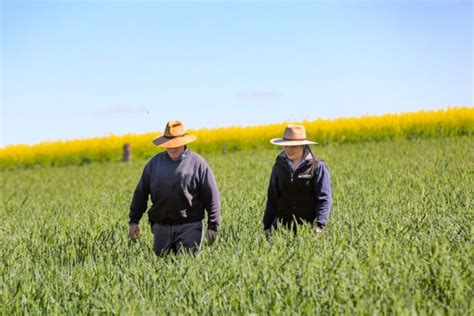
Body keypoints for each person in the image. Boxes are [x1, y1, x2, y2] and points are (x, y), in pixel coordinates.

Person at [129, 120, 221, 256]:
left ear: (183, 142)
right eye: (168, 145)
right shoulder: (154, 164)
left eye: (175, 145)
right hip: (161, 227)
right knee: (162, 270)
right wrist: (134, 221)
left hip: (190, 226)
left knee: (188, 267)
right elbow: (140, 194)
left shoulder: (198, 164)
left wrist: (213, 226)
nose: (172, 148)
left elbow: (212, 196)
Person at [263, 124, 332, 236]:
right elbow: (272, 198)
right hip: (280, 229)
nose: (288, 150)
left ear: (302, 146)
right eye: (286, 146)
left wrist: (320, 225)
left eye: (293, 146)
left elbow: (324, 199)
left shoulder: (317, 167)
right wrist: (267, 226)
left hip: (308, 230)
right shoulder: (278, 166)